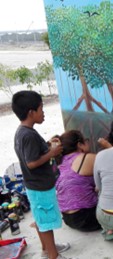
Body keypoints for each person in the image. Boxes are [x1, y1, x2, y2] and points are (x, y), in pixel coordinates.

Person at [12, 91, 71, 259]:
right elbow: (31, 163)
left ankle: (47, 248)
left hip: (35, 185)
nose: (43, 112)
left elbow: (31, 155)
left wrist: (46, 147)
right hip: (40, 186)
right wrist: (51, 153)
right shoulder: (28, 135)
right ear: (31, 112)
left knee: (41, 219)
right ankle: (54, 255)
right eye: (41, 108)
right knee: (45, 222)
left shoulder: (23, 131)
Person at [55, 130, 101, 232]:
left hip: (68, 218)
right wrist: (108, 146)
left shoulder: (61, 161)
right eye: (86, 140)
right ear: (80, 144)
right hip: (88, 217)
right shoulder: (86, 158)